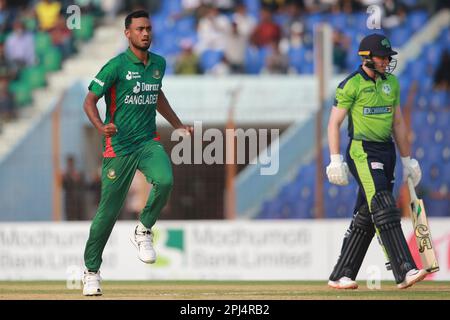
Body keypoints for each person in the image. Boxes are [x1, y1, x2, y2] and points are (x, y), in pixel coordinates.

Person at [82, 10, 193, 296]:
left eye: (149, 29)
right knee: (107, 213)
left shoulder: (159, 63)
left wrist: (178, 125)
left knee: (165, 180)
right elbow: (89, 101)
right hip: (118, 146)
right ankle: (91, 271)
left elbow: (157, 95)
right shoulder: (115, 66)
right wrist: (100, 125)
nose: (146, 33)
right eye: (140, 29)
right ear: (127, 33)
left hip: (146, 141)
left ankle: (143, 229)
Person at [325, 33, 427, 290]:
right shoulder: (351, 85)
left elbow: (398, 123)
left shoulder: (391, 83)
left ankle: (341, 274)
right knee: (383, 203)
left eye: (387, 58)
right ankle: (404, 268)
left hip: (387, 151)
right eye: (382, 57)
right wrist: (335, 159)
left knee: (366, 213)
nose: (386, 62)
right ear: (366, 58)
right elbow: (334, 123)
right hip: (362, 151)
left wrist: (408, 160)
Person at [62, 155, 86, 221]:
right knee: (69, 216)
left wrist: (77, 178)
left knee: (79, 216)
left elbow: (83, 184)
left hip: (78, 198)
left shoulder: (78, 172)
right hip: (69, 198)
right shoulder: (65, 174)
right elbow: (63, 186)